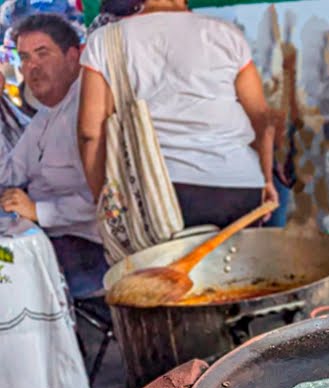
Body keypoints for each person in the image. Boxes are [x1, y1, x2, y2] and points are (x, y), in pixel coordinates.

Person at [76, 0, 275, 230]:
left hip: (156, 193)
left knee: (166, 267)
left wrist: (104, 200)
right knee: (234, 264)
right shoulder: (227, 35)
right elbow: (262, 120)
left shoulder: (105, 41)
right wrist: (266, 180)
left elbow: (90, 133)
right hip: (239, 185)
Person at [0, 13, 105, 296]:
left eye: (41, 54)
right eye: (24, 58)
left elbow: (108, 199)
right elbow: (10, 172)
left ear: (73, 57)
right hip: (49, 237)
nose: (31, 67)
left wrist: (38, 211)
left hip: (89, 246)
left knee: (4, 275)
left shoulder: (89, 110)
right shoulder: (48, 112)